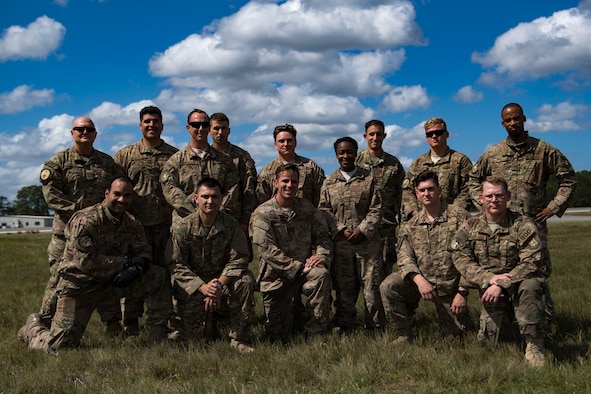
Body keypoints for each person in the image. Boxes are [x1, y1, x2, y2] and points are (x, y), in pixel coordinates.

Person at [17, 176, 173, 354]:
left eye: (127, 196)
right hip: (79, 285)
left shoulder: (131, 222)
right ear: (107, 194)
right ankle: (33, 329)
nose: (122, 200)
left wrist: (137, 268)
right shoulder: (86, 220)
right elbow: (86, 262)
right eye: (117, 194)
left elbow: (143, 251)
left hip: (112, 283)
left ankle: (157, 336)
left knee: (158, 275)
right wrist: (125, 262)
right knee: (61, 346)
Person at [467, 103, 576, 320]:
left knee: (537, 272)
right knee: (505, 268)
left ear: (524, 119)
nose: (512, 123)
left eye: (516, 119)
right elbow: (472, 180)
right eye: (508, 120)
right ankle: (509, 320)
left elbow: (568, 179)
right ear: (502, 123)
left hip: (532, 223)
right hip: (503, 226)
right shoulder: (493, 153)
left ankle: (543, 323)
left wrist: (552, 208)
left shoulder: (543, 150)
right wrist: (485, 207)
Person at [37, 116, 123, 333]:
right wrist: (79, 215)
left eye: (89, 129)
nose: (84, 132)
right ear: (72, 133)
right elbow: (51, 194)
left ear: (95, 134)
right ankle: (44, 322)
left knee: (104, 274)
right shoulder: (59, 162)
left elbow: (118, 192)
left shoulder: (107, 164)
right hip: (65, 235)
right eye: (80, 129)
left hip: (100, 234)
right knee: (60, 276)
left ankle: (113, 326)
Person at [451, 176, 547, 367]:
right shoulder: (470, 226)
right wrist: (490, 279)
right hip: (489, 289)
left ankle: (534, 347)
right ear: (481, 198)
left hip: (519, 284)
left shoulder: (523, 224)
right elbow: (460, 257)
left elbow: (531, 261)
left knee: (532, 286)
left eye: (499, 195)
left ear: (508, 196)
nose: (494, 200)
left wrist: (503, 284)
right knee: (489, 344)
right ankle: (512, 327)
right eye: (489, 196)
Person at [380, 170, 473, 344]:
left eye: (431, 189)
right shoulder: (410, 225)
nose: (427, 194)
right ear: (416, 194)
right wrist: (419, 280)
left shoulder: (460, 218)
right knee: (389, 286)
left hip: (451, 287)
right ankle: (404, 334)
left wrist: (462, 291)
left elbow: (473, 257)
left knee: (456, 341)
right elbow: (404, 257)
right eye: (422, 190)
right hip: (421, 283)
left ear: (440, 190)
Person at [169, 178, 256, 352]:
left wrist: (218, 284)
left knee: (245, 280)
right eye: (205, 196)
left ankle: (239, 338)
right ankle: (208, 323)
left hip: (221, 285)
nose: (210, 201)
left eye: (215, 196)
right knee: (196, 341)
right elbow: (176, 264)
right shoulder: (182, 228)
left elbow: (239, 258)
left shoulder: (231, 226)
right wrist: (202, 287)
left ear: (222, 198)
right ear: (196, 198)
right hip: (194, 288)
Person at [113, 106, 178, 336]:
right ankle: (130, 324)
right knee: (134, 273)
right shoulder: (125, 156)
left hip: (166, 227)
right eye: (147, 121)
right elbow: (116, 190)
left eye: (156, 121)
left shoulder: (174, 155)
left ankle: (164, 323)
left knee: (165, 275)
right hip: (135, 229)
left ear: (162, 125)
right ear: (140, 125)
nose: (151, 125)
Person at [250, 164, 333, 343]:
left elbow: (323, 238)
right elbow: (267, 251)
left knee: (321, 275)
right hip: (276, 276)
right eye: (285, 181)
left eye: (293, 181)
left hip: (305, 273)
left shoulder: (307, 209)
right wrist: (297, 267)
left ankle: (316, 333)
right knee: (278, 336)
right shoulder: (262, 213)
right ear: (275, 183)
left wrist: (321, 256)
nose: (289, 185)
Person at [318, 136, 385, 333]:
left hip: (367, 244)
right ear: (336, 155)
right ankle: (346, 326)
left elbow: (377, 209)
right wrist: (340, 229)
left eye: (349, 152)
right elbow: (324, 211)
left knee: (371, 288)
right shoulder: (329, 182)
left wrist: (362, 230)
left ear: (356, 153)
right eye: (341, 153)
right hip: (341, 245)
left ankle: (375, 328)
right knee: (344, 288)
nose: (345, 156)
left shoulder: (369, 180)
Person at [160, 109, 240, 227]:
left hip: (218, 225)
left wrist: (215, 213)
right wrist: (197, 214)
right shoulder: (176, 161)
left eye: (204, 125)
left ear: (209, 128)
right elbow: (170, 190)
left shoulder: (224, 160)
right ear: (188, 127)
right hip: (185, 225)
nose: (201, 129)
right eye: (196, 125)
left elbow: (232, 190)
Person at [356, 119, 405, 274]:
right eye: (371, 134)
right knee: (359, 276)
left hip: (386, 228)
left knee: (384, 275)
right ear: (365, 136)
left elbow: (402, 196)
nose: (375, 138)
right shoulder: (356, 162)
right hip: (361, 228)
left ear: (384, 136)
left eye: (378, 134)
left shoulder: (393, 164)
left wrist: (403, 224)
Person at [402, 117, 473, 222]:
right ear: (426, 138)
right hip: (422, 222)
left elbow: (469, 189)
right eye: (430, 134)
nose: (434, 136)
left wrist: (453, 212)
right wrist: (415, 212)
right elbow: (407, 190)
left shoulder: (460, 161)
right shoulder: (418, 163)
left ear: (447, 134)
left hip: (452, 222)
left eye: (438, 132)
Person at [209, 112, 258, 236]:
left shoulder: (241, 156)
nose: (220, 132)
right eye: (216, 128)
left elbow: (249, 191)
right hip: (209, 220)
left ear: (229, 131)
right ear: (209, 131)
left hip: (235, 220)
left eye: (223, 128)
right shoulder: (204, 156)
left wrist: (246, 221)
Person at [256, 124, 325, 207]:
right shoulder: (267, 172)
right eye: (281, 141)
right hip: (277, 218)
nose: (286, 144)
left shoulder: (311, 168)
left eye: (289, 140)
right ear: (275, 145)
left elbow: (321, 199)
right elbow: (261, 203)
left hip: (305, 217)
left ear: (295, 143)